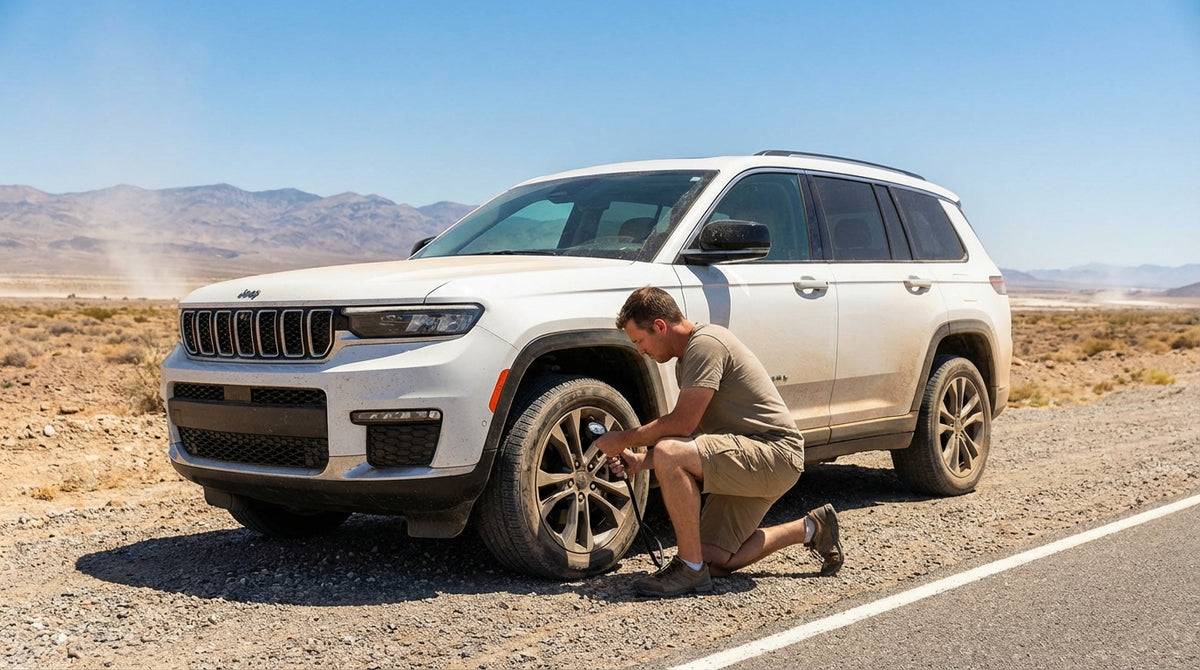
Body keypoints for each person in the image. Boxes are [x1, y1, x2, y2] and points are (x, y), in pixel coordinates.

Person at [593, 286, 843, 597]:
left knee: (670, 453)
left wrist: (623, 439)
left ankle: (688, 568)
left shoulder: (705, 345)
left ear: (660, 326)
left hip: (775, 453)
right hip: (750, 457)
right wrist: (641, 462)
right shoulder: (687, 360)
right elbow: (694, 439)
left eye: (639, 341)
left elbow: (682, 425)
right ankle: (812, 528)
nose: (641, 351)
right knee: (713, 560)